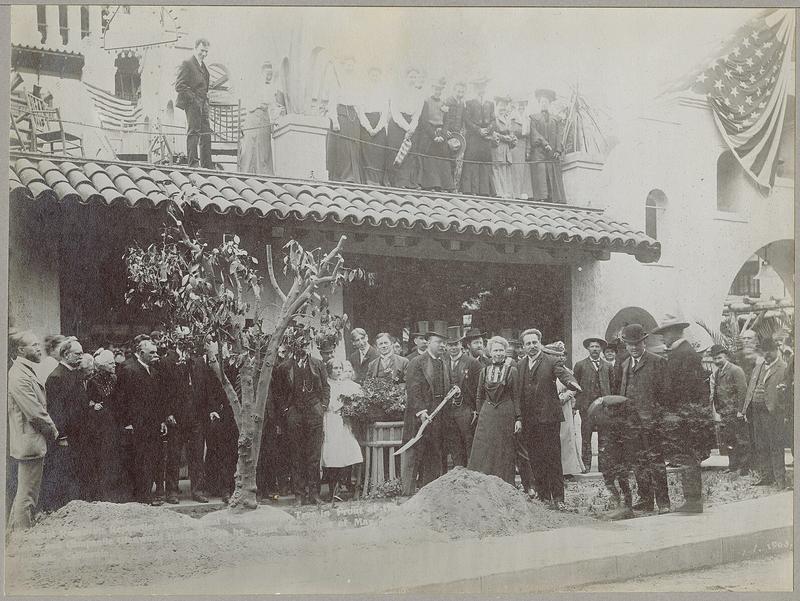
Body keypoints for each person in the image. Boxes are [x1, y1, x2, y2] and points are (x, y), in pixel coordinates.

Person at [653, 316, 712, 513]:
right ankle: (692, 499)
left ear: (675, 332)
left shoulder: (683, 354)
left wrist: (673, 410)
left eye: (664, 334)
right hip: (687, 414)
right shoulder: (683, 352)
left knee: (689, 457)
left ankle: (693, 500)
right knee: (687, 456)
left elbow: (682, 389)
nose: (663, 338)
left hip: (685, 415)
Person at [517, 328, 581, 507]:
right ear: (523, 347)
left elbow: (564, 374)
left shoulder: (551, 361)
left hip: (549, 418)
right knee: (535, 458)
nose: (532, 346)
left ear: (540, 343)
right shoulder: (520, 365)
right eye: (528, 343)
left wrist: (572, 383)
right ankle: (544, 496)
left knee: (552, 458)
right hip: (530, 420)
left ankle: (558, 498)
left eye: (535, 342)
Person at [8, 331, 59, 530]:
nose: (39, 349)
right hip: (29, 441)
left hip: (31, 440)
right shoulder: (19, 375)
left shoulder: (25, 370)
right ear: (21, 350)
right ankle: (23, 534)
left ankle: (15, 531)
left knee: (26, 492)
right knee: (27, 494)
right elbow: (35, 413)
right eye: (34, 345)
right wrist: (53, 431)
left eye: (39, 344)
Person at [618, 323, 670, 514]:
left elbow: (665, 394)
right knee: (638, 463)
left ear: (644, 342)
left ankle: (663, 502)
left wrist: (658, 418)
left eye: (637, 343)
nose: (633, 347)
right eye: (629, 344)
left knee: (656, 462)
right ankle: (646, 500)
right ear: (625, 345)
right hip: (631, 424)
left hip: (651, 422)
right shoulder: (624, 365)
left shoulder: (657, 362)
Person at [273, 340, 331, 505]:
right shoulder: (284, 367)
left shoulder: (318, 364)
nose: (302, 348)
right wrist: (286, 410)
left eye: (305, 345)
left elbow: (326, 387)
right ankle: (299, 495)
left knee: (314, 455)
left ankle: (314, 494)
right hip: (295, 414)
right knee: (296, 454)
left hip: (314, 412)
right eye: (299, 345)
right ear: (293, 347)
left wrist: (322, 406)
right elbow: (278, 392)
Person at [113, 337, 169, 505]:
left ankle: (145, 496)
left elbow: (157, 399)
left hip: (151, 425)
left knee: (150, 460)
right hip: (136, 425)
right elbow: (120, 399)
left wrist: (161, 421)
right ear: (141, 352)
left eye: (156, 352)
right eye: (151, 353)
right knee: (139, 461)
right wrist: (126, 422)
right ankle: (140, 498)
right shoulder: (128, 369)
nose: (155, 355)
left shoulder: (152, 370)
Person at [402, 329, 454, 494]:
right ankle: (408, 493)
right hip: (421, 417)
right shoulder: (417, 362)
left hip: (439, 416)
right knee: (415, 454)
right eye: (439, 342)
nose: (442, 345)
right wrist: (421, 412)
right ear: (429, 342)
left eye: (444, 343)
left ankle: (430, 493)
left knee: (435, 453)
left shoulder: (444, 362)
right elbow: (413, 390)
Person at [468, 336, 521, 485]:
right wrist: (481, 413)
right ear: (490, 353)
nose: (498, 353)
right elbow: (479, 395)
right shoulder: (484, 371)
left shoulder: (512, 371)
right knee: (485, 448)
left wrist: (518, 418)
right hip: (487, 413)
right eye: (495, 350)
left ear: (505, 352)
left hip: (506, 412)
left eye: (501, 350)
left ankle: (504, 484)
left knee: (504, 448)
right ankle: (484, 484)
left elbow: (516, 396)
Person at [41, 337, 84, 512]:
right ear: (66, 354)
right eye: (78, 354)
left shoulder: (75, 373)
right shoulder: (56, 377)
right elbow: (56, 411)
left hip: (78, 434)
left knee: (74, 472)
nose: (81, 357)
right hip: (65, 437)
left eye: (82, 354)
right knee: (61, 473)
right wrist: (62, 436)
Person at [163, 343, 209, 504]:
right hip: (176, 418)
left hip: (196, 416)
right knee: (174, 456)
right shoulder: (168, 361)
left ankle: (197, 490)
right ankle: (172, 491)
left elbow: (205, 388)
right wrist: (167, 413)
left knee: (197, 455)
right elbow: (163, 390)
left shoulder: (199, 362)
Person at [742, 338, 788, 489]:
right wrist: (745, 408)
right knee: (761, 444)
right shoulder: (758, 367)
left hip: (773, 412)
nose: (766, 355)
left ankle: (780, 479)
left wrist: (782, 409)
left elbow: (787, 392)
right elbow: (750, 388)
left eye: (769, 352)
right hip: (756, 411)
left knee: (775, 444)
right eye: (764, 352)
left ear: (776, 350)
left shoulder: (784, 368)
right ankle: (766, 476)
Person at [588, 395, 643, 520]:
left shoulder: (623, 414)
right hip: (613, 446)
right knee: (610, 476)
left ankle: (626, 506)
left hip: (622, 446)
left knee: (621, 476)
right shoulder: (598, 413)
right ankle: (619, 505)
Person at [85, 348, 127, 502]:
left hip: (115, 421)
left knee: (116, 457)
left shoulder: (115, 378)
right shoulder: (93, 381)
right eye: (110, 364)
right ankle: (103, 494)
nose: (114, 365)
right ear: (102, 366)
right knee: (104, 457)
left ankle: (116, 493)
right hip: (101, 424)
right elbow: (88, 400)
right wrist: (93, 404)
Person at [321, 361, 364, 500]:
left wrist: (349, 407)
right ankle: (333, 490)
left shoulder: (345, 384)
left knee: (349, 452)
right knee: (332, 455)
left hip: (344, 422)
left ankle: (348, 486)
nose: (338, 371)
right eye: (335, 368)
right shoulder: (326, 384)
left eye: (340, 368)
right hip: (331, 420)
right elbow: (328, 403)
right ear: (329, 370)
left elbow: (355, 398)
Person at [202, 341, 238, 503]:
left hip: (234, 414)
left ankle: (231, 486)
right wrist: (213, 409)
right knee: (221, 452)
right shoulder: (212, 370)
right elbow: (209, 391)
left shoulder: (236, 367)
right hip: (220, 415)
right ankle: (223, 488)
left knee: (232, 452)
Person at [545, 341, 585, 478]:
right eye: (555, 356)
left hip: (564, 407)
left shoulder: (567, 372)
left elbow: (574, 388)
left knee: (566, 437)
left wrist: (565, 396)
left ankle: (567, 469)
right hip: (549, 406)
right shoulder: (545, 370)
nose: (559, 358)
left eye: (561, 355)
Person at [707, 344, 749, 475]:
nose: (717, 361)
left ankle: (744, 468)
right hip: (725, 412)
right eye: (715, 358)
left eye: (719, 357)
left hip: (735, 412)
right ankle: (733, 466)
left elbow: (743, 391)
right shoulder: (717, 372)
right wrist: (718, 410)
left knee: (741, 439)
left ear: (726, 357)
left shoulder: (736, 370)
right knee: (730, 440)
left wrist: (741, 410)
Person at [441, 335, 481, 468]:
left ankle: (472, 472)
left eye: (456, 344)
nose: (453, 348)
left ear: (461, 345)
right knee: (454, 443)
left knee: (469, 441)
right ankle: (458, 471)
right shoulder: (442, 362)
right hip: (448, 410)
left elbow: (479, 389)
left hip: (466, 409)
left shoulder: (472, 363)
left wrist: (476, 410)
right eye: (450, 345)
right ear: (446, 346)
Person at [573, 337, 612, 472]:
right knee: (586, 435)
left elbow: (612, 386)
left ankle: (603, 465)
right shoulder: (580, 365)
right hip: (586, 407)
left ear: (601, 349)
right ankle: (586, 465)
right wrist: (577, 405)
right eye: (592, 347)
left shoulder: (607, 366)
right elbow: (576, 386)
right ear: (588, 349)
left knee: (604, 436)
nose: (595, 349)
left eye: (597, 347)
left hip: (603, 407)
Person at [239, 60, 285, 175]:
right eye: (267, 74)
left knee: (264, 150)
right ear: (261, 73)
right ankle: (247, 174)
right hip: (253, 118)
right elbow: (248, 103)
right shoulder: (253, 86)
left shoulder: (271, 89)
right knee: (250, 148)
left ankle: (264, 175)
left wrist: (276, 115)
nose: (269, 77)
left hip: (265, 119)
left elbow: (273, 106)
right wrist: (259, 104)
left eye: (271, 75)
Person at [175, 38, 212, 169]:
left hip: (203, 104)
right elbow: (179, 86)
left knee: (206, 134)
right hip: (193, 104)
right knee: (194, 133)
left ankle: (207, 164)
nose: (204, 54)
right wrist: (194, 100)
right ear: (195, 48)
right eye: (202, 50)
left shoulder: (203, 67)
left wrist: (205, 101)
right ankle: (193, 164)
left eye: (206, 51)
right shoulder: (187, 63)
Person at [327, 55, 364, 184]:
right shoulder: (337, 82)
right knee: (343, 147)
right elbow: (332, 103)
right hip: (341, 115)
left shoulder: (356, 83)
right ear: (344, 66)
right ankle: (343, 175)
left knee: (354, 145)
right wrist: (335, 121)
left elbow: (359, 105)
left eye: (352, 65)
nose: (350, 67)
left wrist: (362, 121)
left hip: (353, 117)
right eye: (348, 64)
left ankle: (354, 176)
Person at [387, 66, 423, 188]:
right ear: (406, 77)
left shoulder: (419, 94)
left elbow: (417, 115)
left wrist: (412, 129)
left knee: (408, 153)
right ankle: (395, 182)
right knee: (396, 151)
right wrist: (407, 128)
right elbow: (395, 112)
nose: (412, 80)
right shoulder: (397, 91)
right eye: (411, 77)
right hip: (397, 124)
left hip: (411, 125)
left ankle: (406, 182)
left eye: (415, 77)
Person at [527, 88, 566, 203]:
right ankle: (542, 197)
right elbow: (534, 133)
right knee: (541, 172)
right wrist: (545, 143)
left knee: (553, 172)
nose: (543, 104)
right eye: (541, 102)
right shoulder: (534, 118)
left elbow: (559, 135)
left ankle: (554, 198)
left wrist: (558, 150)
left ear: (549, 103)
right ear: (539, 103)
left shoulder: (556, 119)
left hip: (552, 152)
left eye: (546, 102)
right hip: (539, 152)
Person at [461, 75, 495, 196]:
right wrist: (478, 130)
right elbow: (467, 120)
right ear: (475, 88)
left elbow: (493, 119)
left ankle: (485, 191)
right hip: (473, 138)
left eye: (483, 86)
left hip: (485, 139)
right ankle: (470, 190)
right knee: (472, 161)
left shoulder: (490, 103)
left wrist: (488, 129)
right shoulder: (469, 103)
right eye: (479, 86)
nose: (481, 89)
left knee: (485, 162)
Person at [418, 77, 454, 192]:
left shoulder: (444, 103)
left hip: (441, 133)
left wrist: (442, 135)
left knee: (443, 157)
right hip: (429, 133)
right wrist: (434, 136)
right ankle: (431, 185)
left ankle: (444, 186)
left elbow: (447, 121)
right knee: (429, 158)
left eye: (439, 89)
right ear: (432, 88)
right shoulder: (426, 101)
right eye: (435, 89)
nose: (437, 91)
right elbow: (424, 121)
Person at [358, 65, 390, 185]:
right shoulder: (363, 90)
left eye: (377, 75)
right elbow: (360, 111)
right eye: (372, 75)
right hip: (367, 123)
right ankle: (367, 179)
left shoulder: (383, 91)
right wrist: (368, 128)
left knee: (379, 152)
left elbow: (385, 112)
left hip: (379, 123)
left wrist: (377, 128)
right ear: (369, 76)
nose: (374, 77)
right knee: (367, 150)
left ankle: (377, 180)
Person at [443, 80, 467, 190]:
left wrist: (461, 131)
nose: (460, 94)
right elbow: (444, 117)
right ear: (454, 90)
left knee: (454, 160)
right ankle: (445, 185)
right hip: (447, 133)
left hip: (456, 136)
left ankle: (451, 186)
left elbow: (462, 119)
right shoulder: (448, 101)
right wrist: (445, 130)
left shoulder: (462, 104)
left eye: (462, 92)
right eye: (458, 91)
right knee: (446, 159)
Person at [490, 95, 516, 199]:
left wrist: (513, 139)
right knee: (497, 168)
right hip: (497, 147)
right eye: (501, 105)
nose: (503, 108)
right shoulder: (494, 118)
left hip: (506, 149)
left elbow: (511, 132)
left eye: (505, 106)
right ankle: (499, 192)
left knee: (506, 168)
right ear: (497, 106)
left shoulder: (508, 119)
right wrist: (503, 137)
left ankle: (507, 192)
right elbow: (492, 133)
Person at [509, 99, 533, 199]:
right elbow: (510, 132)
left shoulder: (528, 119)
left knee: (523, 170)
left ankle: (523, 193)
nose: (521, 107)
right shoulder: (512, 118)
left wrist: (528, 150)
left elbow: (528, 137)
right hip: (515, 146)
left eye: (523, 105)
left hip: (523, 146)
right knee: (515, 169)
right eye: (519, 105)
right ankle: (515, 193)